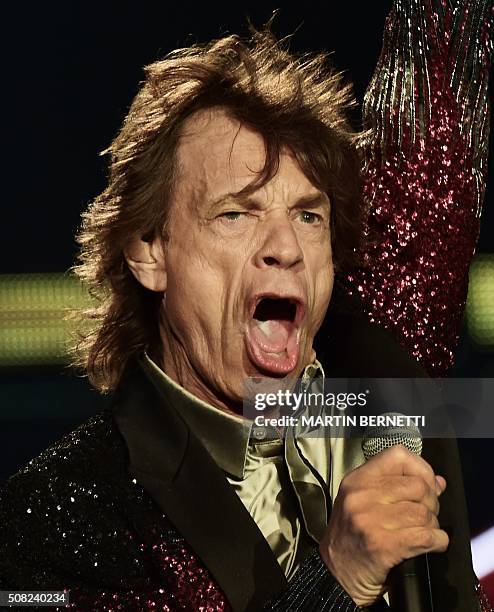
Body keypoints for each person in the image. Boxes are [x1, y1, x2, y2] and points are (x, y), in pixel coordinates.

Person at [0, 1, 492, 610]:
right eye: (236, 213)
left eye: (309, 215)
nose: (286, 247)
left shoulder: (385, 379)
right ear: (151, 250)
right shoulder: (47, 523)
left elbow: (439, 113)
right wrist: (336, 582)